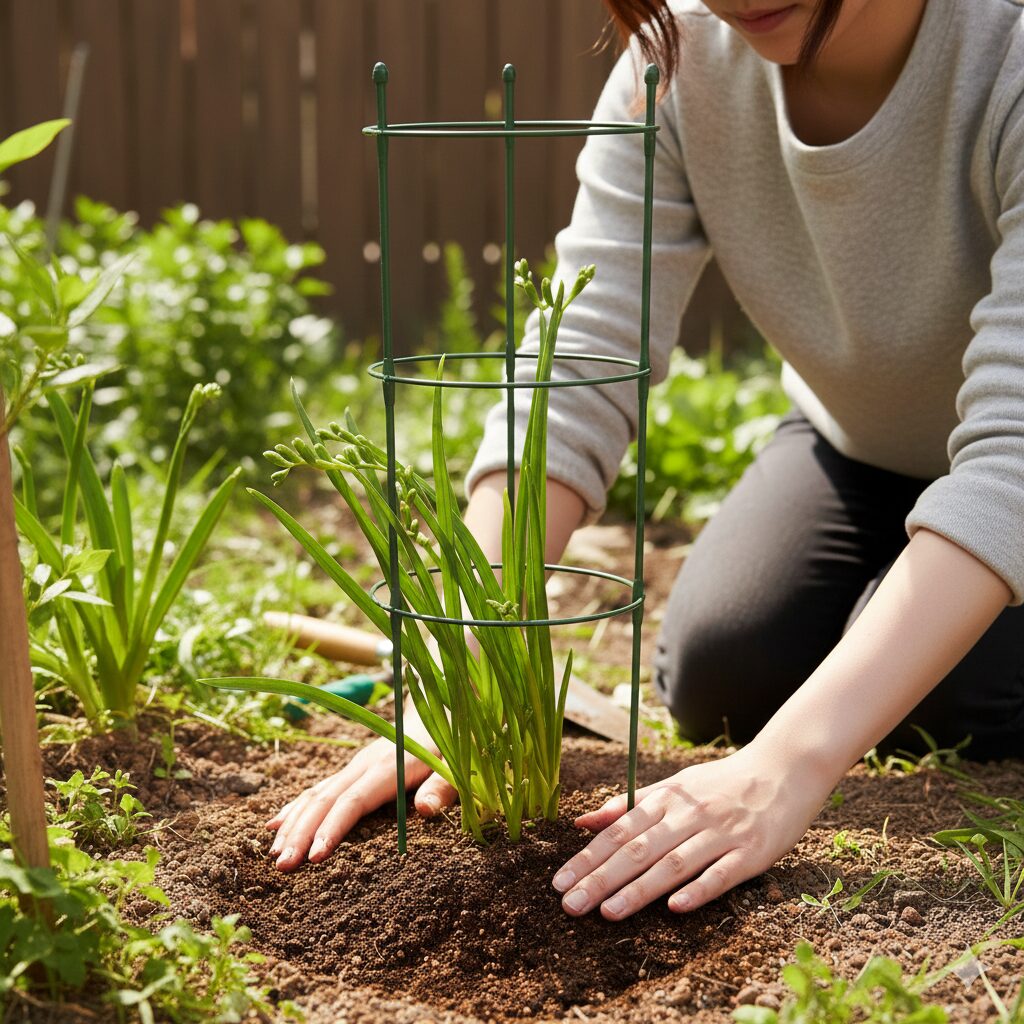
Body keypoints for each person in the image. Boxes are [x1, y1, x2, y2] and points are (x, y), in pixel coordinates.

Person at [267, 0, 1024, 922]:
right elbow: (581, 358)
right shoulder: (681, 56)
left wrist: (789, 767)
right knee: (725, 671)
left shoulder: (1007, 53)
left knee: (956, 691)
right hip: (859, 444)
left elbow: (1010, 456)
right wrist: (465, 669)